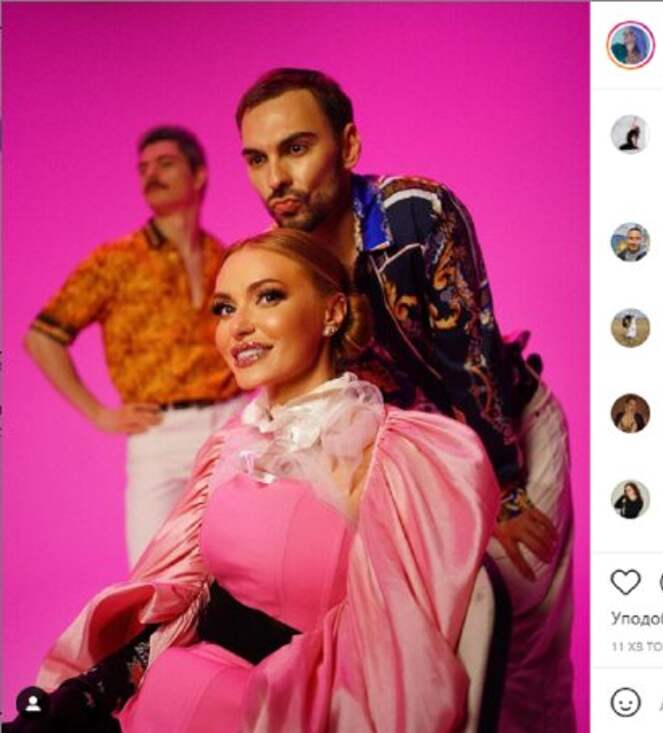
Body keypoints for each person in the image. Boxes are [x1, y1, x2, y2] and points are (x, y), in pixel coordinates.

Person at [9, 229, 499, 732]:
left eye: (268, 297)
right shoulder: (228, 447)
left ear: (332, 313)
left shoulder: (392, 455)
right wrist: (95, 689)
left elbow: (396, 663)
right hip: (162, 703)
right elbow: (182, 595)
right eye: (225, 308)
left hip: (277, 714)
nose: (238, 327)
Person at [235, 68, 575, 731]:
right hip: (419, 469)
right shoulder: (284, 264)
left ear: (348, 145)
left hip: (507, 438)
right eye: (257, 158)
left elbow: (470, 359)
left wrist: (503, 489)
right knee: (429, 648)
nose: (276, 177)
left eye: (296, 148)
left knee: (518, 645)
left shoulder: (416, 214)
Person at [23, 126, 244, 567]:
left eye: (165, 164)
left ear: (198, 174)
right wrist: (98, 413)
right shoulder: (116, 260)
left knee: (241, 565)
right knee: (150, 574)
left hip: (230, 423)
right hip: (158, 432)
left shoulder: (224, 257)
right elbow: (41, 337)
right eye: (143, 168)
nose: (151, 175)